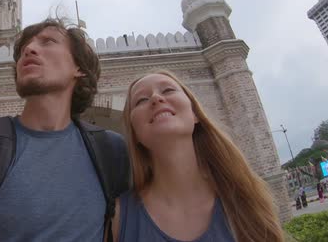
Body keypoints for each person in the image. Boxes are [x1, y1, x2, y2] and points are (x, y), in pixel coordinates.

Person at [0, 19, 129, 241]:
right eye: (25, 46)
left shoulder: (111, 151)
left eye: (48, 41)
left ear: (79, 68)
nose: (29, 49)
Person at [112, 70, 284, 242]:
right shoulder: (118, 219)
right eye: (141, 100)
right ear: (134, 133)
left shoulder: (245, 200)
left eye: (168, 90)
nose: (156, 98)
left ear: (195, 114)